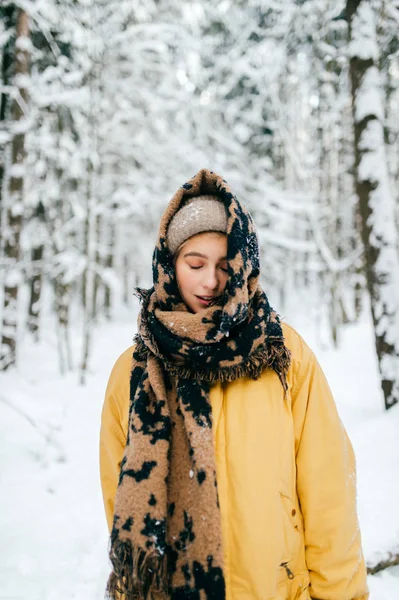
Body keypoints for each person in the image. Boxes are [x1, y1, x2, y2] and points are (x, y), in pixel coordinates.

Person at [100, 168, 369, 600]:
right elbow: (123, 512)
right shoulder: (133, 373)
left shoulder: (284, 355)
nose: (210, 281)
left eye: (226, 266)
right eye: (194, 264)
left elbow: (329, 498)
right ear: (169, 265)